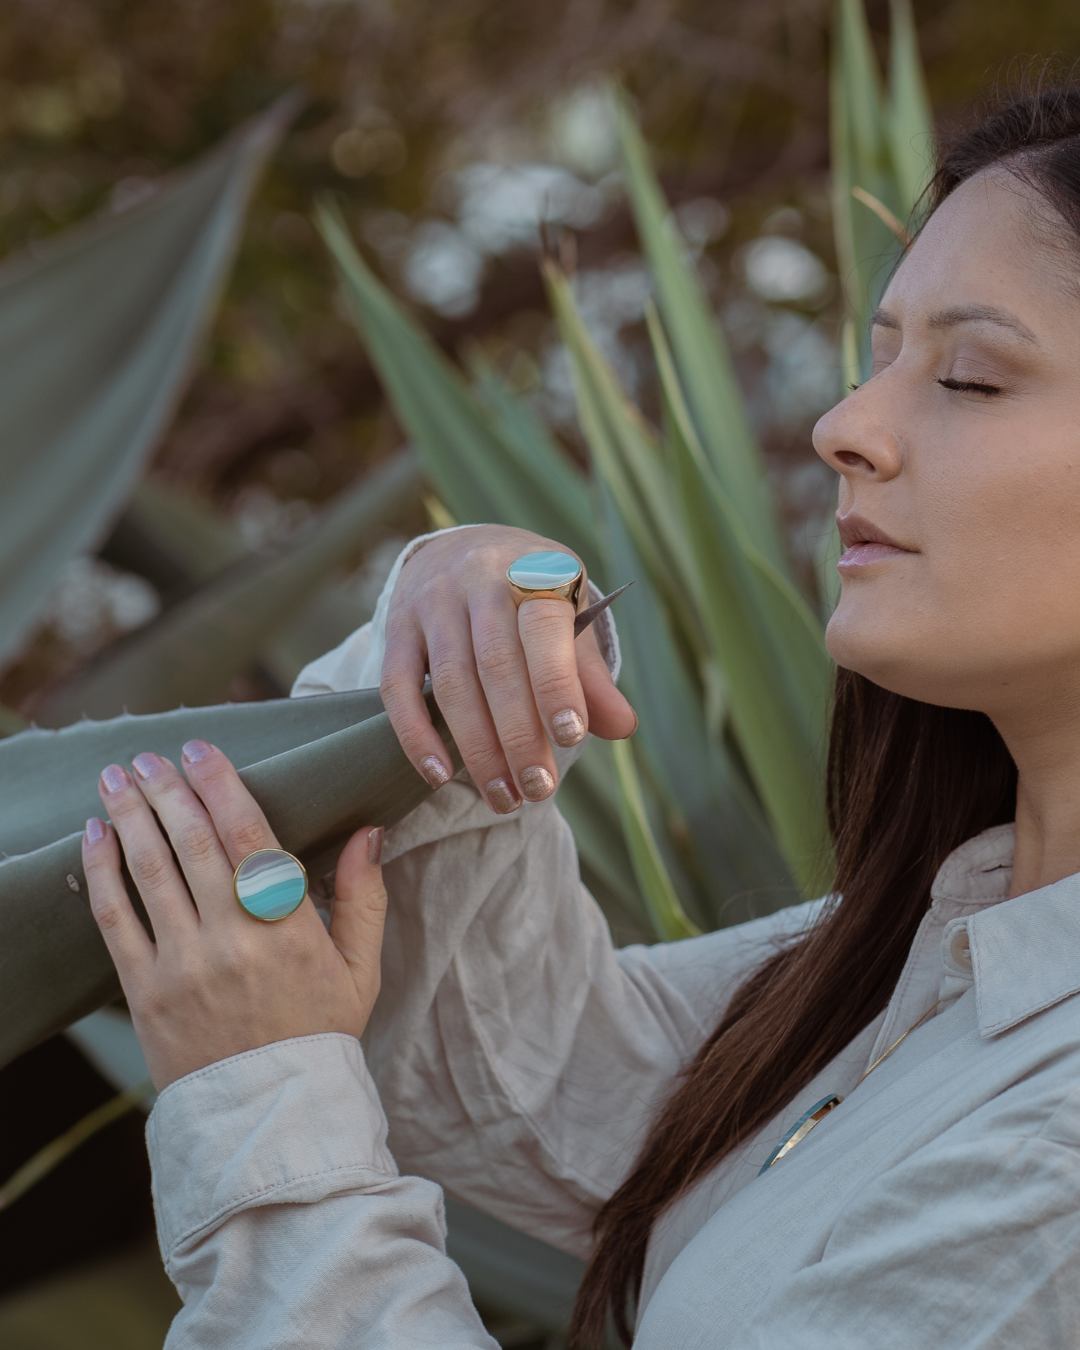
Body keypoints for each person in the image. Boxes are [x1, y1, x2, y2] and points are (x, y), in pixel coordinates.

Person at [88, 76, 1080, 1348]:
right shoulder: (937, 958)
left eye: (974, 379)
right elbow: (533, 1100)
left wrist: (263, 1107)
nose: (845, 427)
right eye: (878, 359)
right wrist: (451, 653)